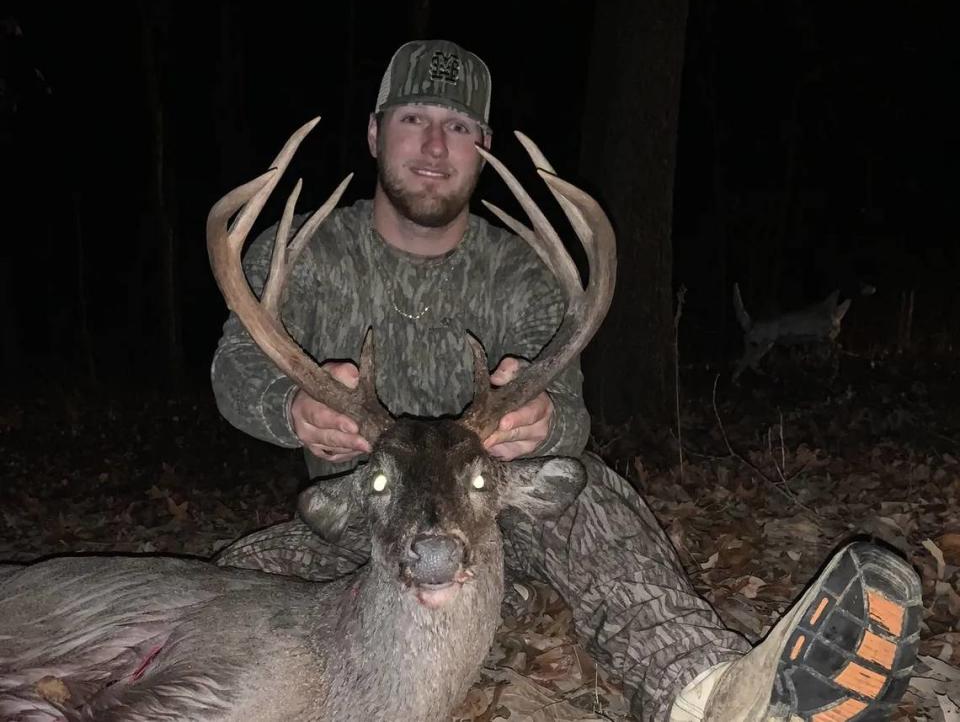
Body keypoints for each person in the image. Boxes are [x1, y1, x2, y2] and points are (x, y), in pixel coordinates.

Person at [210, 40, 921, 721]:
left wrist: (544, 418)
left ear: (482, 149)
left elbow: (572, 424)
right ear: (374, 133)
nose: (434, 147)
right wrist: (292, 409)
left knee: (592, 494)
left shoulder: (525, 271)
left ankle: (712, 695)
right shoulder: (302, 255)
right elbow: (235, 377)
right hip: (362, 530)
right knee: (215, 592)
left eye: (458, 126)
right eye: (414, 120)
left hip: (499, 522)